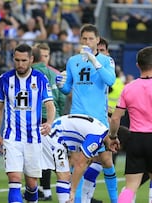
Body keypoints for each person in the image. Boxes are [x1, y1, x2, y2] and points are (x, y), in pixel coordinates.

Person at [55, 23, 117, 203]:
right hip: (78, 118)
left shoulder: (106, 61)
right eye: (84, 38)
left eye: (91, 38)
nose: (87, 41)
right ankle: (79, 200)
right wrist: (61, 85)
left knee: (106, 161)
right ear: (79, 40)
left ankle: (115, 200)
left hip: (99, 121)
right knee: (78, 163)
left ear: (98, 41)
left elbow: (111, 80)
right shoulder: (72, 61)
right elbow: (68, 90)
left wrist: (95, 61)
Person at [0, 43, 56, 203]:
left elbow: (50, 105)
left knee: (32, 184)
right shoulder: (4, 79)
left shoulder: (40, 79)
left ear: (31, 59)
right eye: (17, 60)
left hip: (34, 138)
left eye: (23, 60)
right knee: (14, 179)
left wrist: (49, 122)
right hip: (11, 137)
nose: (20, 64)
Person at [109, 46, 152, 203]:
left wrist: (113, 137)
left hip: (136, 139)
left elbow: (115, 119)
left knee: (130, 187)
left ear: (137, 65)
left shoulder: (128, 88)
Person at [45, 114, 116, 203]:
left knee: (32, 178)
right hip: (54, 136)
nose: (114, 150)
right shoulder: (96, 139)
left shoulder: (102, 132)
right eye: (115, 145)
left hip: (57, 133)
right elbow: (80, 164)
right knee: (64, 176)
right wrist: (73, 191)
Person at [31, 46, 66, 201]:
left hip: (41, 120)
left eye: (47, 54)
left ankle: (43, 190)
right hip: (55, 119)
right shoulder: (54, 74)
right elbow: (61, 98)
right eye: (43, 55)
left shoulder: (30, 73)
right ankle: (47, 190)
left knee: (39, 156)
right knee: (54, 156)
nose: (45, 57)